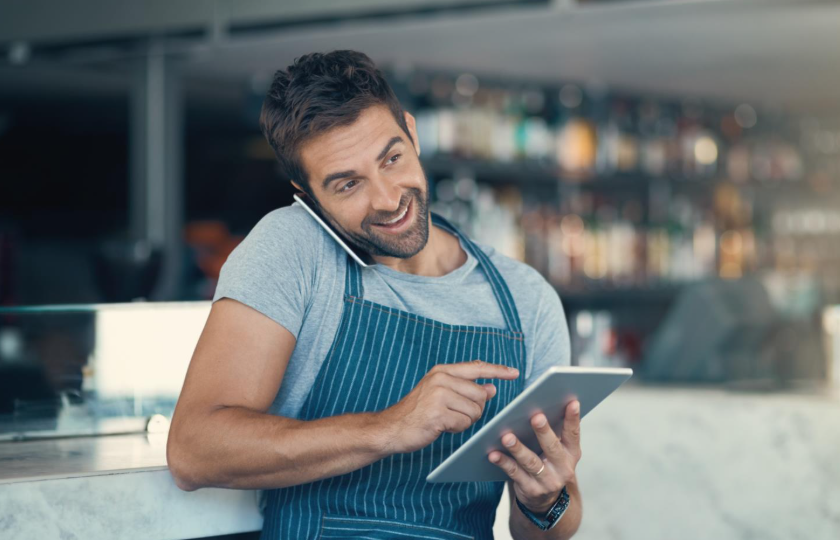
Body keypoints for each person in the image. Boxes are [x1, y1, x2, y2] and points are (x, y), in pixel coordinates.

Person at [167, 50, 582, 540]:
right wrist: (390, 427)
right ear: (306, 193)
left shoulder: (525, 297)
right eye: (348, 185)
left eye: (392, 158)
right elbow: (194, 450)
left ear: (412, 131)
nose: (387, 199)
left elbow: (549, 529)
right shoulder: (291, 250)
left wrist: (546, 500)